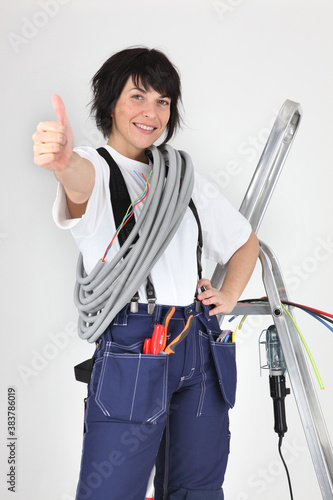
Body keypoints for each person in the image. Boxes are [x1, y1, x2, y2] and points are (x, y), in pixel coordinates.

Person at [32, 47, 259, 500]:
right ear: (111, 101)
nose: (150, 112)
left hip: (198, 341)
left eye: (163, 101)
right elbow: (77, 179)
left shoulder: (183, 177)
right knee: (112, 491)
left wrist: (229, 296)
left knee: (197, 489)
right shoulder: (95, 167)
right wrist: (60, 164)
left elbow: (243, 241)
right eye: (137, 96)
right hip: (134, 346)